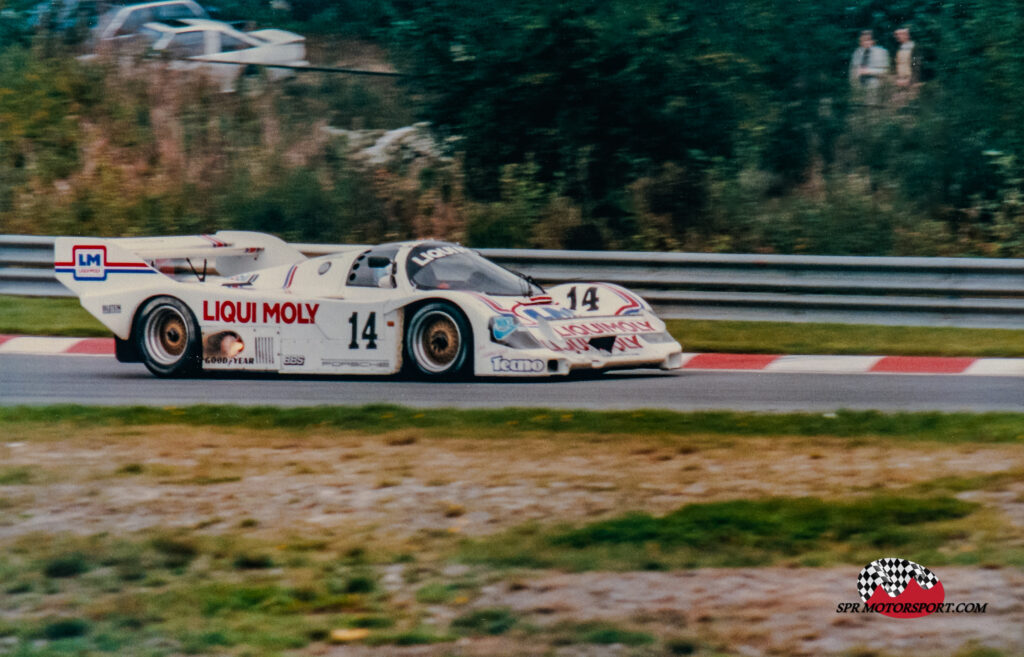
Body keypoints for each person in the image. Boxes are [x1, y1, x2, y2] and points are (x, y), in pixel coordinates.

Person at [849, 30, 890, 106]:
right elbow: (853, 70)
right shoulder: (857, 52)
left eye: (868, 39)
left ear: (873, 40)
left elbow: (885, 71)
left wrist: (868, 71)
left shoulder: (881, 52)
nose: (865, 42)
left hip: (876, 88)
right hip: (859, 88)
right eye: (863, 40)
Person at [893, 26, 920, 104]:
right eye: (897, 34)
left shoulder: (914, 47)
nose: (899, 36)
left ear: (907, 35)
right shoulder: (900, 48)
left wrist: (912, 81)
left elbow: (916, 66)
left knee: (911, 103)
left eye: (901, 34)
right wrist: (897, 78)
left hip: (910, 80)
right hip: (900, 80)